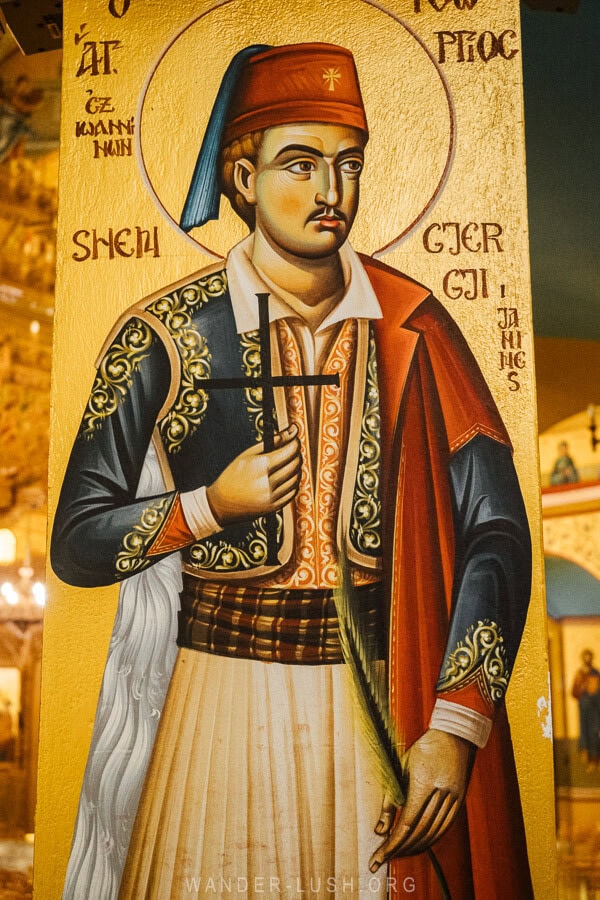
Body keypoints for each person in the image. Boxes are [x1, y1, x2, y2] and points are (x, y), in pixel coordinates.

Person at [52, 43, 533, 899]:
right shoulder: (160, 336)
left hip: (378, 707)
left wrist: (456, 726)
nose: (331, 195)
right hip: (215, 705)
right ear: (240, 176)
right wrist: (204, 506)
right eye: (300, 164)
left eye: (348, 165)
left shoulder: (416, 327)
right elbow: (78, 543)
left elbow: (493, 528)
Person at [572, 649, 600, 770]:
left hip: (595, 707)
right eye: (585, 656)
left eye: (589, 656)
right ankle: (587, 758)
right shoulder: (579, 673)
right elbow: (574, 691)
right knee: (584, 731)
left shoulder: (595, 673)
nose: (587, 659)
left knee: (595, 732)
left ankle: (596, 759)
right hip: (583, 707)